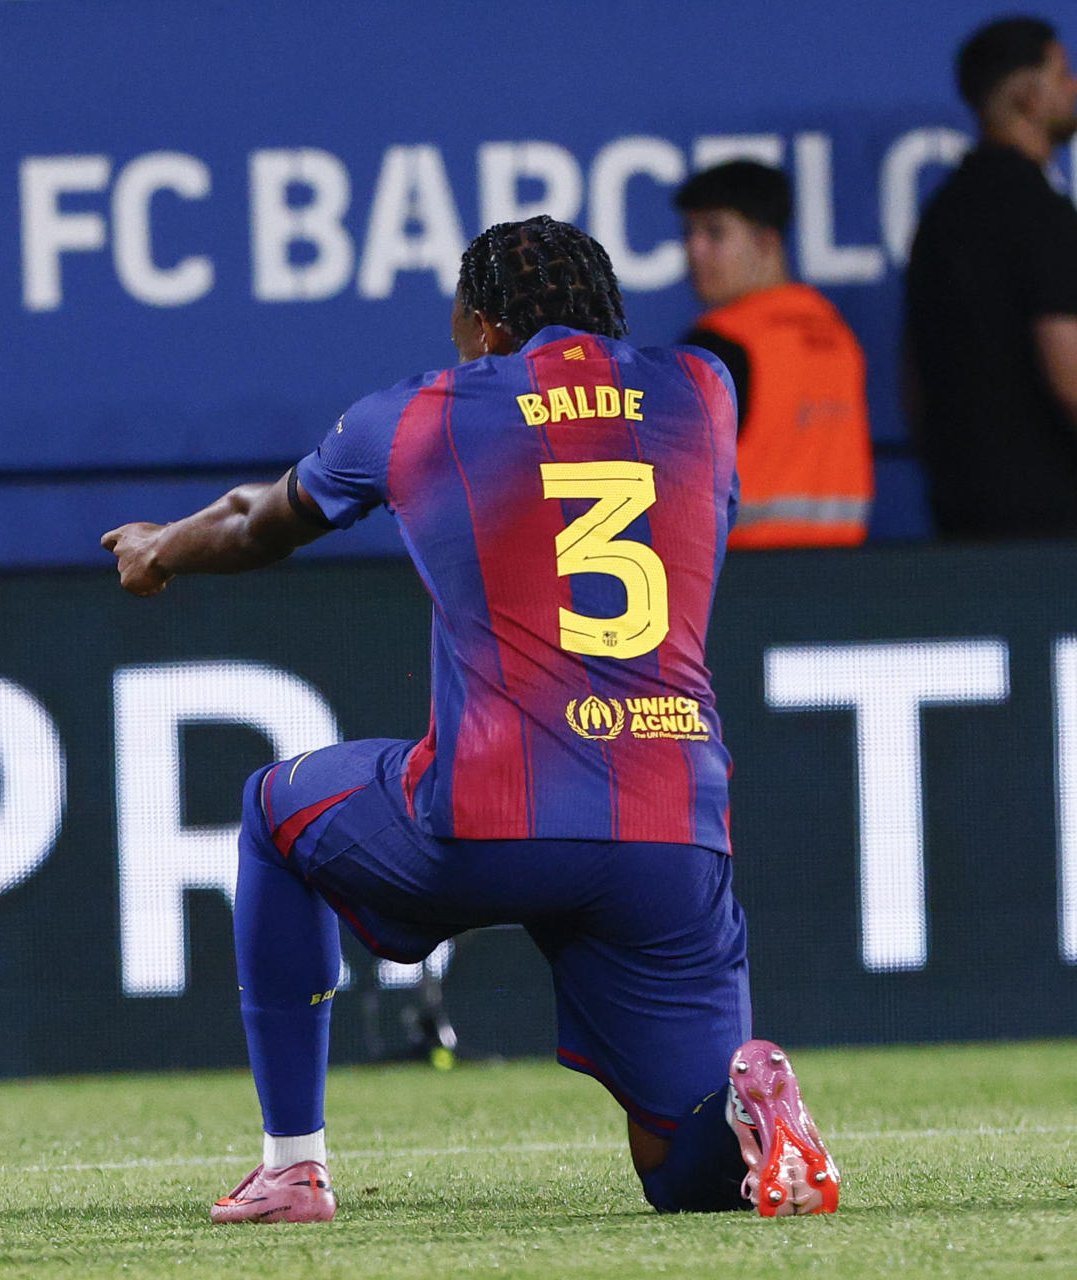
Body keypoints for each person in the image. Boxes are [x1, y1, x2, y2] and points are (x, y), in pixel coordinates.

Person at [102, 217, 838, 1222]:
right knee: (687, 1174)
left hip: (492, 811)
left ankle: (292, 1166)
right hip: (670, 828)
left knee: (274, 813)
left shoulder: (418, 412)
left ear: (486, 328)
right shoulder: (705, 388)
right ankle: (755, 1116)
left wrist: (160, 547)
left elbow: (254, 520)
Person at [906, 15, 1077, 538]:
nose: (1073, 88)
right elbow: (1068, 369)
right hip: (1050, 523)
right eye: (1062, 73)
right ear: (1029, 95)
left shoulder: (938, 216)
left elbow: (912, 376)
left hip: (959, 516)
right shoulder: (1044, 213)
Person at [674, 161, 873, 548]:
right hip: (844, 576)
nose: (694, 250)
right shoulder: (839, 336)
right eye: (688, 233)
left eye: (714, 233)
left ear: (767, 242)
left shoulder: (719, 345)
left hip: (744, 581)